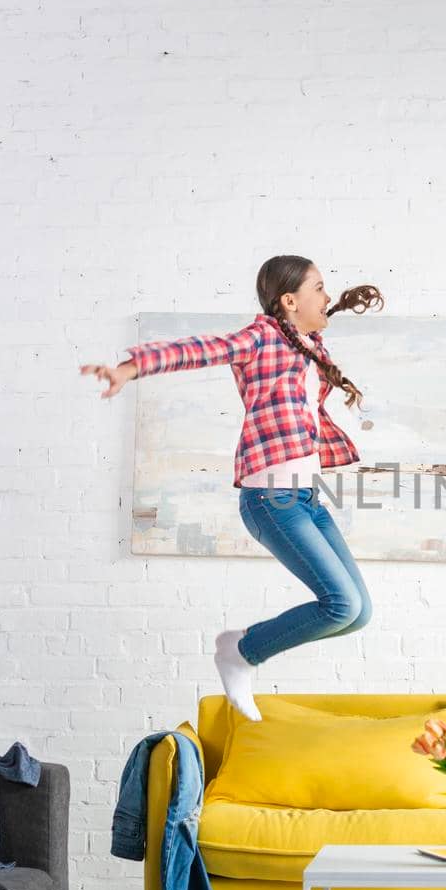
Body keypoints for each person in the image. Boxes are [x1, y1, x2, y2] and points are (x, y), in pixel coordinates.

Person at [80, 256, 382, 720]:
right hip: (271, 501)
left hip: (308, 499)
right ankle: (242, 652)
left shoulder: (307, 343)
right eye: (319, 288)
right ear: (289, 300)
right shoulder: (260, 337)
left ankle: (240, 647)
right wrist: (131, 368)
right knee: (339, 603)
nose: (327, 296)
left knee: (357, 613)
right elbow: (201, 349)